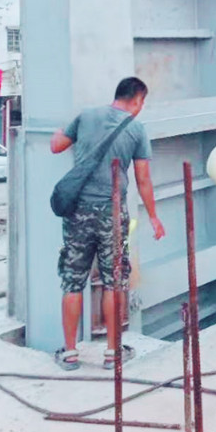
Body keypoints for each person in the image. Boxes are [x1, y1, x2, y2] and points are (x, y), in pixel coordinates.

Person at [49, 76, 165, 370]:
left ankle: (70, 353)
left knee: (73, 281)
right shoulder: (136, 129)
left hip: (77, 212)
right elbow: (143, 179)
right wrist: (153, 217)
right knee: (114, 282)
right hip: (112, 214)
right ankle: (113, 353)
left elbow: (56, 146)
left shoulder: (86, 116)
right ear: (137, 100)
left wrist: (57, 131)